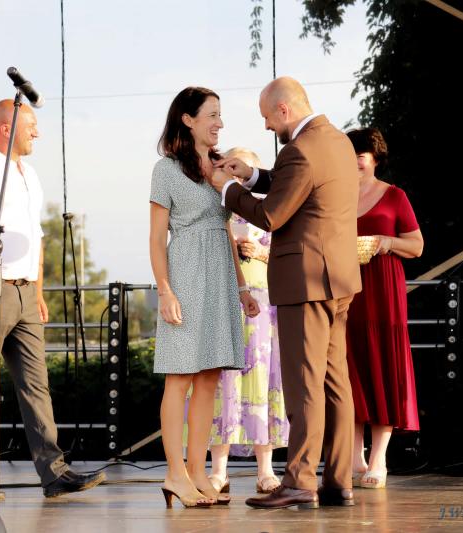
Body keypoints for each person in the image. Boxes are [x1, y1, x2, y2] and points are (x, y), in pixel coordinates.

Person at [210, 76, 362, 509]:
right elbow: (295, 182)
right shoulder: (336, 141)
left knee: (304, 385)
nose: (265, 126)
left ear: (283, 109)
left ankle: (299, 482)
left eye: (266, 117)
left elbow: (271, 215)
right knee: (335, 384)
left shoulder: (299, 149)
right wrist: (253, 174)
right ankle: (338, 482)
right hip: (338, 280)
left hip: (305, 281)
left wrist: (226, 188)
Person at [0, 99, 105, 499]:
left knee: (37, 384)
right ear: (6, 128)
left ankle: (54, 473)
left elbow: (36, 237)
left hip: (23, 293)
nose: (37, 132)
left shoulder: (29, 175)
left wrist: (37, 292)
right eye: (31, 125)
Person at [150, 87, 260, 508]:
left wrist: (242, 287)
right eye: (212, 115)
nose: (220, 123)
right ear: (188, 119)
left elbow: (227, 230)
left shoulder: (220, 166)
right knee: (179, 377)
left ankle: (198, 471)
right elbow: (156, 238)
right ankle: (175, 473)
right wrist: (165, 290)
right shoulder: (165, 170)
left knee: (210, 377)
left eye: (220, 115)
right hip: (185, 275)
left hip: (220, 277)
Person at [208, 147, 289, 496]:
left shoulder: (268, 208)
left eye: (241, 169)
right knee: (222, 383)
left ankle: (266, 469)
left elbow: (289, 254)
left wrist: (261, 252)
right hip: (224, 300)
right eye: (229, 168)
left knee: (262, 382)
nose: (236, 176)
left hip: (263, 303)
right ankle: (218, 471)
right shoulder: (215, 208)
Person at [345, 127, 423, 489]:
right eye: (349, 154)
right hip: (346, 288)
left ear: (375, 158)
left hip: (383, 289)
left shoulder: (395, 196)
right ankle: (353, 456)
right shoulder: (336, 195)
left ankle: (379, 459)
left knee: (383, 366)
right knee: (349, 368)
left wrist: (385, 242)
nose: (355, 160)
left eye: (361, 154)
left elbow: (417, 245)